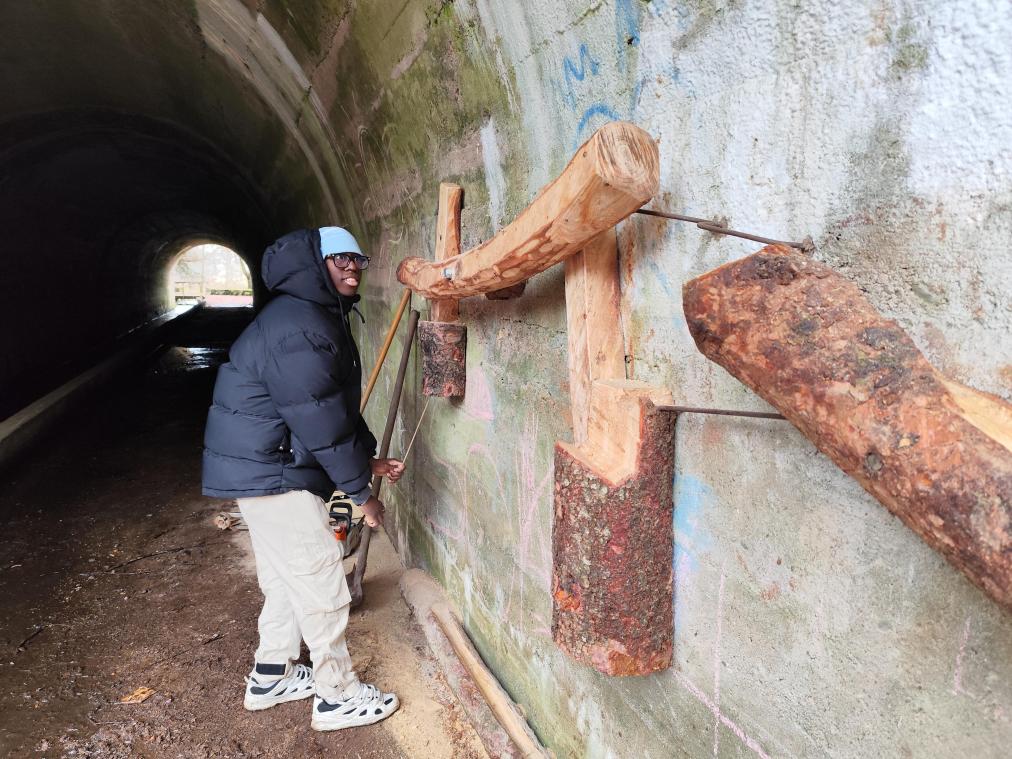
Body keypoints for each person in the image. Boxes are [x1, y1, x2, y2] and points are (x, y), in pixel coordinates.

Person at [201, 226, 405, 731]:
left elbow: (329, 407)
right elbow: (317, 418)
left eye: (358, 258)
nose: (353, 267)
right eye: (340, 259)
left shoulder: (310, 315)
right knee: (318, 576)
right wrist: (362, 493)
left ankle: (270, 675)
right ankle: (337, 695)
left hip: (263, 467)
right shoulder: (300, 327)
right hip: (272, 471)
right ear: (315, 263)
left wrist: (367, 460)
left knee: (287, 580)